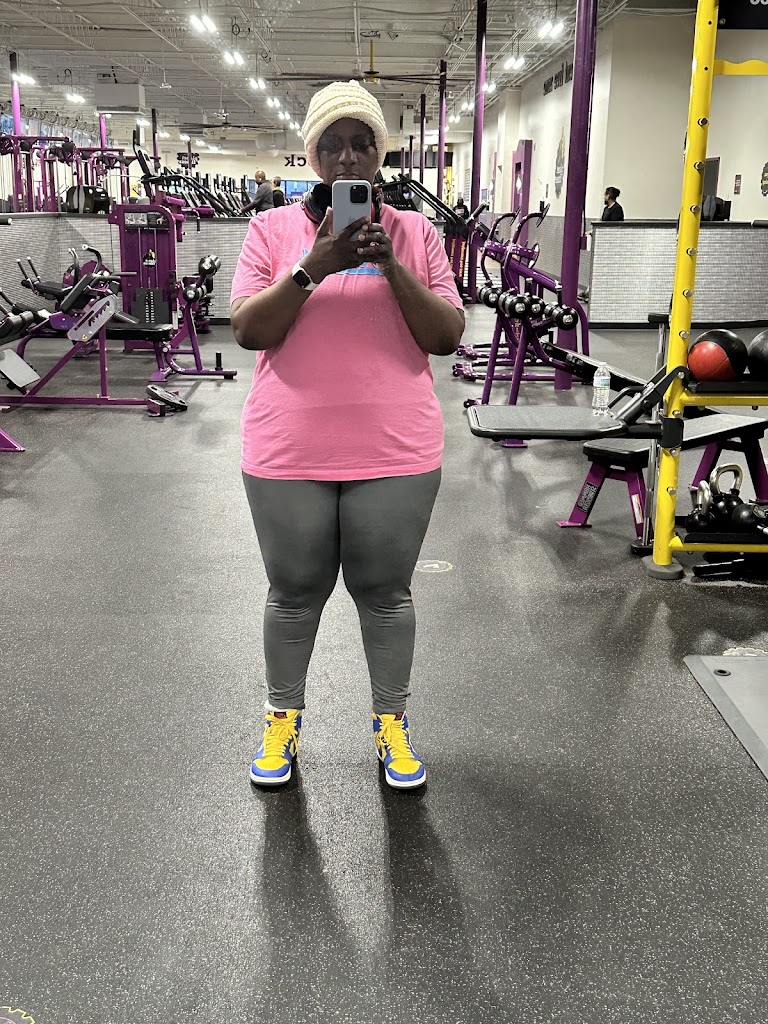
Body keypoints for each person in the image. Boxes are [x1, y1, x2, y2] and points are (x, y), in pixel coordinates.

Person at [230, 80, 465, 791]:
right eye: (331, 145)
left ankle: (391, 724)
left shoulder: (416, 234)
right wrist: (314, 267)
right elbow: (249, 330)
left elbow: (446, 336)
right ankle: (282, 720)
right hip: (288, 447)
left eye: (363, 144)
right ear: (312, 154)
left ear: (379, 155)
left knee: (386, 593)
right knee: (294, 591)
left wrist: (390, 266)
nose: (348, 158)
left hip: (396, 448)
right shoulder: (271, 231)